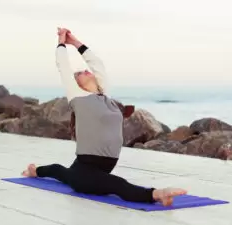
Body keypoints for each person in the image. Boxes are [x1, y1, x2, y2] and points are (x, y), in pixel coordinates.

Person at [22, 27, 187, 206]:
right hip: (85, 171)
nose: (84, 71)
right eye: (79, 74)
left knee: (61, 171)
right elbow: (63, 65)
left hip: (100, 167)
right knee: (116, 184)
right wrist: (61, 42)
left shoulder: (105, 97)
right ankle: (157, 194)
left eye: (85, 70)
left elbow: (96, 63)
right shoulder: (78, 98)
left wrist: (75, 42)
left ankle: (35, 170)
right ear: (75, 84)